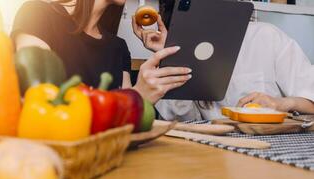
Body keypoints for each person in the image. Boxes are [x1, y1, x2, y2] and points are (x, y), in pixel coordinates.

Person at [133, 2, 314, 120]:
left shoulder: (267, 37)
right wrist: (171, 57)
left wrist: (283, 103)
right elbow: (181, 122)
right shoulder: (185, 52)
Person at [11, 0, 192, 103]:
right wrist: (137, 95)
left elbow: (127, 121)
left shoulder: (118, 47)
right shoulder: (36, 14)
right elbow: (39, 100)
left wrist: (166, 52)